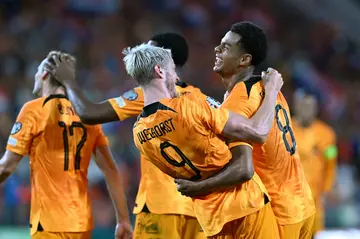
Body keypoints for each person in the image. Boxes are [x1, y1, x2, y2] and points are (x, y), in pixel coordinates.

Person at [43, 33, 282, 239]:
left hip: (165, 205)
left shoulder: (140, 128)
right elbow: (250, 137)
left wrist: (68, 81)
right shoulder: (196, 99)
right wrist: (270, 91)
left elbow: (88, 113)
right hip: (209, 210)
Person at [119, 43, 282, 238]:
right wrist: (271, 89)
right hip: (246, 206)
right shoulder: (189, 104)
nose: (177, 77)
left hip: (212, 221)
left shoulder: (139, 134)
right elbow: (257, 132)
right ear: (159, 71)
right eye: (172, 70)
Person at [176, 21, 316, 239]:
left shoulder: (239, 100)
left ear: (244, 60)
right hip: (303, 204)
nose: (217, 50)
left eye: (226, 47)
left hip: (280, 213)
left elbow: (243, 168)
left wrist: (199, 187)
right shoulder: (268, 87)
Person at [0, 51, 132, 239]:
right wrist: (123, 220)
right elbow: (111, 170)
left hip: (49, 223)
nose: (35, 77)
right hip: (81, 222)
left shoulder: (34, 110)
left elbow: (7, 165)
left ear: (44, 75)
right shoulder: (89, 115)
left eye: (37, 71)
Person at [292, 89, 338, 237]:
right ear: (296, 105)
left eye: (311, 107)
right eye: (304, 106)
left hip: (315, 200)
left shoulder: (327, 134)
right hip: (290, 199)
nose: (308, 110)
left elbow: (330, 163)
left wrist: (327, 189)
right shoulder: (285, 129)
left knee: (315, 235)